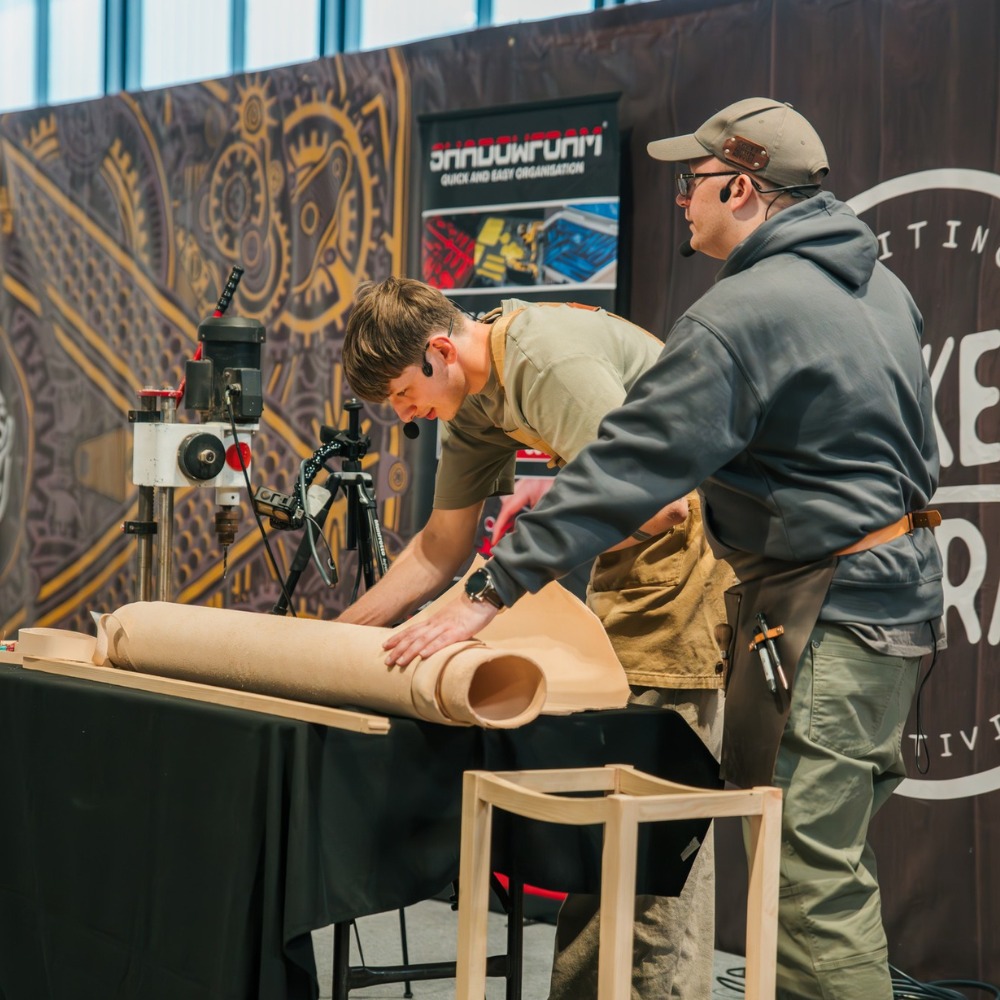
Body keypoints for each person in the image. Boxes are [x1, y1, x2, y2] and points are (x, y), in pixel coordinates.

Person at [384, 98, 944, 1000]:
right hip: (904, 602)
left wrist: (489, 591)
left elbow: (632, 469)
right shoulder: (886, 290)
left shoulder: (740, 315)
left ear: (742, 184)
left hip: (831, 612)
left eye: (694, 180)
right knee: (829, 862)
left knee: (809, 887)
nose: (682, 198)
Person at [339, 275, 734, 999]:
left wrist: (555, 496)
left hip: (693, 559)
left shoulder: (544, 361)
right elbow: (437, 548)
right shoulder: (471, 401)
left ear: (438, 351)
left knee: (649, 821)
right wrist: (339, 641)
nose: (403, 415)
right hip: (628, 562)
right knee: (601, 819)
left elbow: (666, 505)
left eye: (402, 394)